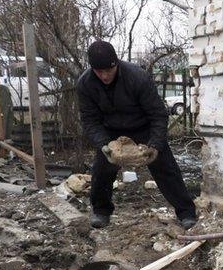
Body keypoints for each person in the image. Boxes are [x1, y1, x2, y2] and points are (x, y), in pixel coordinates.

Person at [77, 40, 197, 230]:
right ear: (92, 69)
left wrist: (155, 144)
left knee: (166, 168)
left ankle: (186, 212)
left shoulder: (137, 77)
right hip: (111, 132)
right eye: (99, 72)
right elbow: (90, 121)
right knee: (101, 170)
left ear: (116, 63)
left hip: (144, 127)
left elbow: (158, 114)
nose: (105, 76)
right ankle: (101, 211)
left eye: (109, 70)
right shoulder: (85, 84)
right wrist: (104, 145)